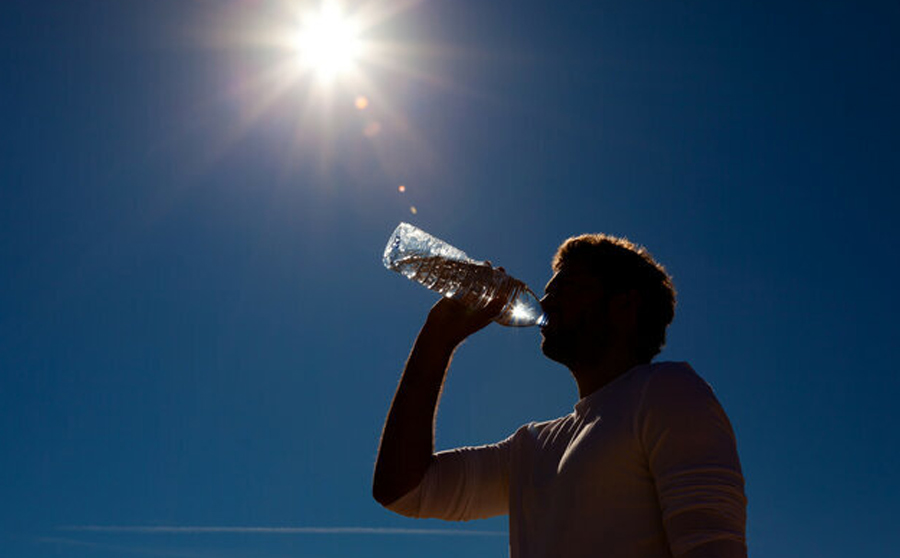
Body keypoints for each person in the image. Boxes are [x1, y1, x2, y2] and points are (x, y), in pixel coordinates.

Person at [372, 234, 747, 558]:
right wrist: (438, 337)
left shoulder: (668, 391)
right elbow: (403, 490)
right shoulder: (531, 447)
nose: (546, 303)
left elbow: (712, 547)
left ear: (625, 306)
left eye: (566, 289)